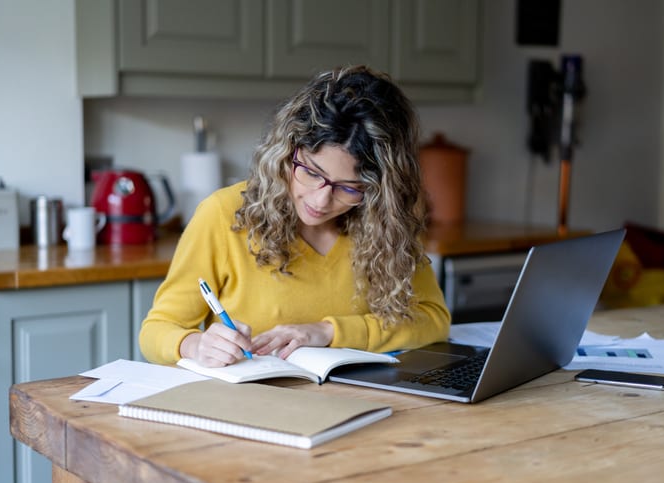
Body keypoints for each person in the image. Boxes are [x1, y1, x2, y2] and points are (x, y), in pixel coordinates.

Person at [140, 65, 451, 367]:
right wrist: (196, 345)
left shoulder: (385, 224)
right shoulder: (224, 213)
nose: (321, 199)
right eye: (311, 173)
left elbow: (433, 320)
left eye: (348, 188)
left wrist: (328, 332)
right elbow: (156, 331)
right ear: (287, 151)